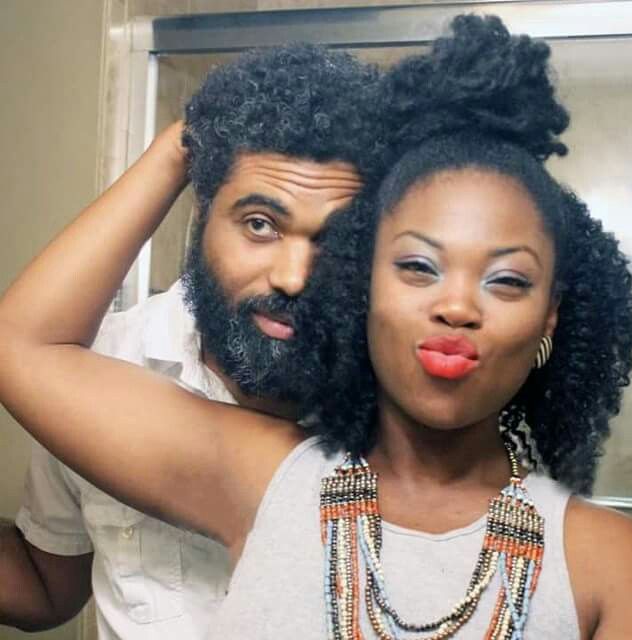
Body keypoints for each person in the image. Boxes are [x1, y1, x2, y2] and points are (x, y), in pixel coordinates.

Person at [0, 15, 632, 639]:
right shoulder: (273, 475)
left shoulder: (608, 561)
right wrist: (196, 134)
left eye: (506, 279)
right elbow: (22, 352)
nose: (457, 307)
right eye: (419, 266)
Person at [0, 43, 385, 637]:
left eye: (336, 244)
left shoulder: (400, 412)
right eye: (260, 224)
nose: (295, 277)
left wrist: (179, 145)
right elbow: (49, 586)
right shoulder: (101, 361)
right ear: (202, 211)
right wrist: (200, 138)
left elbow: (17, 345)